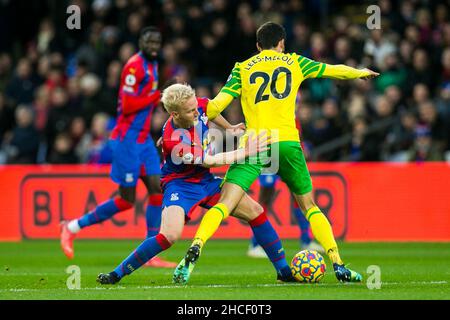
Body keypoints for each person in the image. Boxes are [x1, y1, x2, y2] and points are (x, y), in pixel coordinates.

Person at [174, 21, 379, 283]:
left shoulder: (242, 69)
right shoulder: (295, 62)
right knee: (309, 206)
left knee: (225, 203)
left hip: (254, 144)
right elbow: (333, 71)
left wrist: (189, 122)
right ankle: (338, 264)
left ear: (258, 46)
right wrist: (359, 72)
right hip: (288, 143)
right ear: (281, 43)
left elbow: (214, 108)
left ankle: (196, 247)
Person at [96, 83, 297, 284]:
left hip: (205, 181)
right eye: (190, 111)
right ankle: (116, 274)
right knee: (169, 235)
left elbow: (209, 110)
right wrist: (245, 152)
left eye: (195, 107)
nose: (196, 112)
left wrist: (230, 128)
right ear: (175, 114)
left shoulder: (197, 106)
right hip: (179, 185)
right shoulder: (174, 141)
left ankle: (284, 272)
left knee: (255, 210)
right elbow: (210, 161)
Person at [60, 26, 175, 268]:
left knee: (157, 190)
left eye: (157, 42)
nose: (154, 46)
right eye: (149, 41)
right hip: (127, 140)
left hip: (143, 140)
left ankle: (150, 252)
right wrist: (158, 95)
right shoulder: (134, 66)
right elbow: (129, 104)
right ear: (141, 42)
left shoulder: (153, 65)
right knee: (126, 200)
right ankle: (71, 227)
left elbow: (150, 97)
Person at [247, 173, 324, 259]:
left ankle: (306, 241)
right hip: (271, 161)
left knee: (299, 194)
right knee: (266, 196)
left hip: (287, 160)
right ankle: (255, 245)